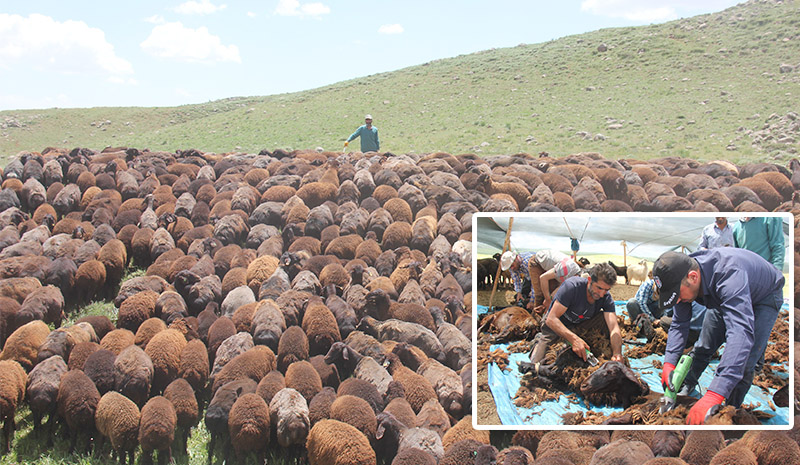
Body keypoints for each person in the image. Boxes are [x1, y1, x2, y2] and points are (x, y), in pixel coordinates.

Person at [653, 248, 784, 425]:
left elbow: (740, 333)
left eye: (676, 295)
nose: (676, 301)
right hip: (724, 295)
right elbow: (679, 323)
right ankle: (683, 387)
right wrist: (669, 362)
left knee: (745, 361)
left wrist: (715, 394)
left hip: (764, 297)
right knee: (704, 345)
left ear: (693, 277)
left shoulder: (728, 274)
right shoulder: (682, 274)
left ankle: (729, 410)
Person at [524, 262, 623, 367]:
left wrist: (617, 352)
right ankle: (537, 343)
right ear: (589, 280)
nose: (602, 294)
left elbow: (614, 328)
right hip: (557, 325)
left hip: (580, 325)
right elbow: (551, 319)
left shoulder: (605, 297)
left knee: (604, 319)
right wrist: (574, 339)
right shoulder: (572, 287)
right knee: (538, 366)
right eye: (599, 288)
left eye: (606, 290)